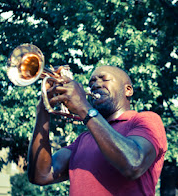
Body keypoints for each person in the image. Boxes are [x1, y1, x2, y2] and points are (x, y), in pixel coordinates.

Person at [27, 65, 167, 196]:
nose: (95, 85)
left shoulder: (145, 120)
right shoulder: (83, 138)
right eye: (91, 82)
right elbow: (41, 175)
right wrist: (43, 109)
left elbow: (134, 164)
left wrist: (83, 107)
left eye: (104, 79)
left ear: (128, 90)